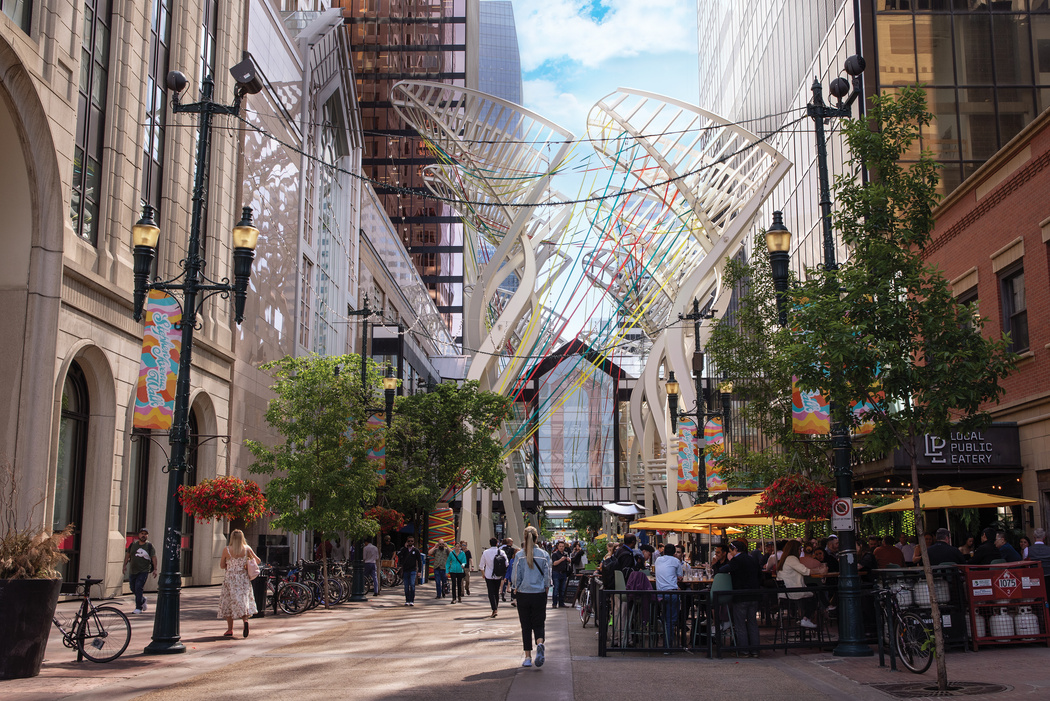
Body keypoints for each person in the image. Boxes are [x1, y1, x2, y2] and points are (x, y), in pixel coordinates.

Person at [511, 526, 551, 668]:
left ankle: (527, 657)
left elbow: (516, 575)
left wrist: (515, 587)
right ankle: (540, 643)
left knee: (526, 625)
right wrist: (546, 588)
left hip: (524, 594)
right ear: (536, 537)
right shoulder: (544, 554)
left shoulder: (519, 555)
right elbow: (547, 575)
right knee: (539, 623)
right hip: (539, 594)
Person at [719, 539, 762, 657]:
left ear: (735, 550)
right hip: (754, 594)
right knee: (753, 623)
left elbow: (722, 569)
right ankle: (755, 650)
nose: (730, 553)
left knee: (740, 624)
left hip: (741, 595)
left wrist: (728, 562)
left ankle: (743, 650)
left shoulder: (736, 560)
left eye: (731, 551)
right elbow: (760, 574)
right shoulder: (752, 559)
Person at [218, 529, 261, 637]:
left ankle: (229, 629)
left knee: (228, 601)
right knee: (243, 599)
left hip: (230, 578)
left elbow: (222, 565)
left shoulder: (226, 550)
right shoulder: (246, 549)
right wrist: (247, 563)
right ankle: (245, 621)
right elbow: (258, 560)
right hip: (243, 578)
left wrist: (230, 565)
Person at [776, 540, 825, 629]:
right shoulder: (791, 558)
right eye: (800, 549)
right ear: (796, 549)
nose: (801, 551)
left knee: (813, 589)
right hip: (793, 591)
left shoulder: (784, 559)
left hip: (785, 592)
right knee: (815, 594)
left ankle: (803, 617)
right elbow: (805, 571)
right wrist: (820, 570)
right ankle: (805, 618)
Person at [654, 543, 684, 652]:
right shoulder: (676, 561)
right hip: (672, 592)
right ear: (674, 552)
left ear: (664, 551)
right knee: (671, 620)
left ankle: (662, 635)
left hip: (659, 593)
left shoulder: (658, 560)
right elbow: (680, 577)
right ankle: (668, 646)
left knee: (664, 617)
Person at [122, 528, 157, 614]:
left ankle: (138, 607)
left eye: (145, 534)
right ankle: (142, 599)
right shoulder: (133, 545)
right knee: (133, 588)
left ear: (147, 536)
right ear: (139, 535)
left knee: (138, 587)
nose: (143, 535)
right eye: (142, 533)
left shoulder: (149, 546)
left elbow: (154, 557)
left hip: (144, 570)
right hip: (133, 570)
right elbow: (128, 555)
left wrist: (155, 569)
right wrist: (124, 565)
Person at [479, 537, 505, 617]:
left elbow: (481, 565)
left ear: (490, 544)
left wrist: (483, 573)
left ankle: (494, 609)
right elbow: (506, 563)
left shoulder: (486, 552)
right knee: (496, 592)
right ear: (497, 543)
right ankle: (496, 608)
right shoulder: (501, 552)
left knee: (491, 592)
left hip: (488, 575)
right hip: (498, 575)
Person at [397, 537, 423, 606]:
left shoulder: (416, 550)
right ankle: (407, 600)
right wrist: (404, 548)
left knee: (412, 585)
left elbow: (419, 561)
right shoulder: (404, 550)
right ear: (407, 542)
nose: (410, 542)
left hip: (413, 570)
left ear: (413, 542)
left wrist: (419, 571)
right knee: (406, 586)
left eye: (411, 541)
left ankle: (412, 600)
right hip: (406, 570)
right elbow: (399, 555)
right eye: (409, 541)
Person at [551, 540, 572, 608]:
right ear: (558, 546)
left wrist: (569, 560)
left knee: (562, 589)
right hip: (556, 573)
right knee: (556, 588)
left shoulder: (565, 554)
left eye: (562, 546)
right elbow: (554, 563)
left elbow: (569, 563)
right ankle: (554, 603)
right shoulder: (555, 554)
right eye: (560, 546)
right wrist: (561, 560)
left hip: (564, 573)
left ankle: (561, 603)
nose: (561, 548)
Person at [500, 538, 517, 606]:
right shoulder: (512, 550)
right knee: (512, 581)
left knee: (505, 579)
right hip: (511, 566)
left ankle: (503, 592)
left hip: (503, 566)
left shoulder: (502, 549)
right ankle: (512, 597)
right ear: (509, 542)